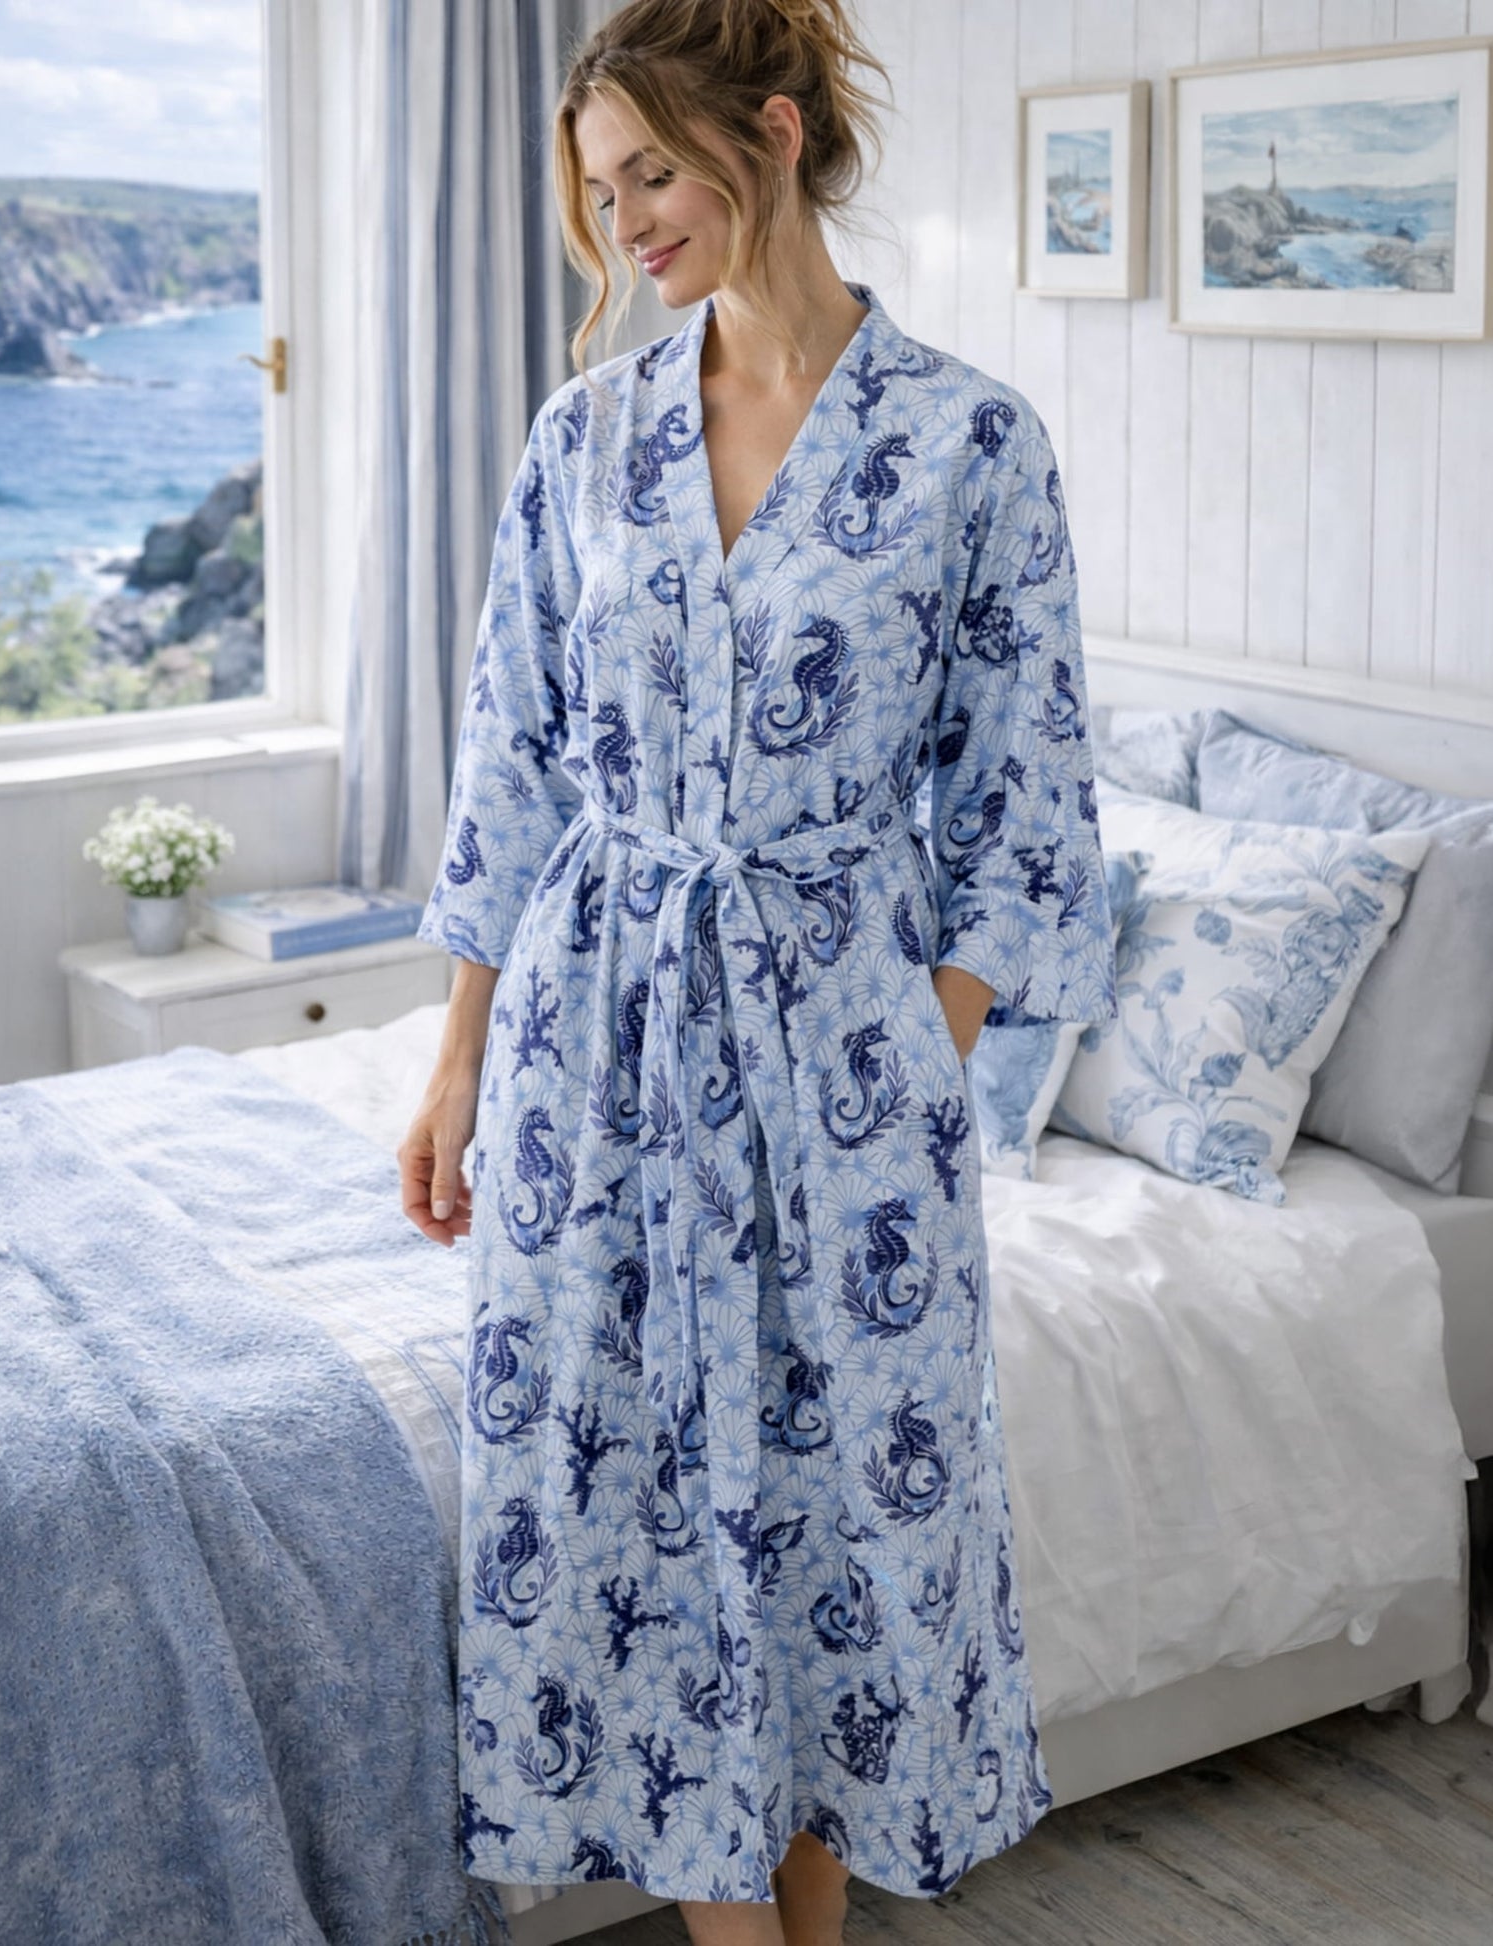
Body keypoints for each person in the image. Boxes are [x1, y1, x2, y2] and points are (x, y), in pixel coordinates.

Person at [397, 4, 1119, 1941]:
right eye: (597, 185)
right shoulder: (588, 431)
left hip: (845, 1062)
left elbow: (1028, 805)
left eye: (649, 173)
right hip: (594, 1047)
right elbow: (513, 748)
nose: (619, 221)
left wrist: (906, 1047)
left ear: (770, 138)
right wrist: (460, 1054)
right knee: (636, 1521)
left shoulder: (966, 439)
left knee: (820, 1546)